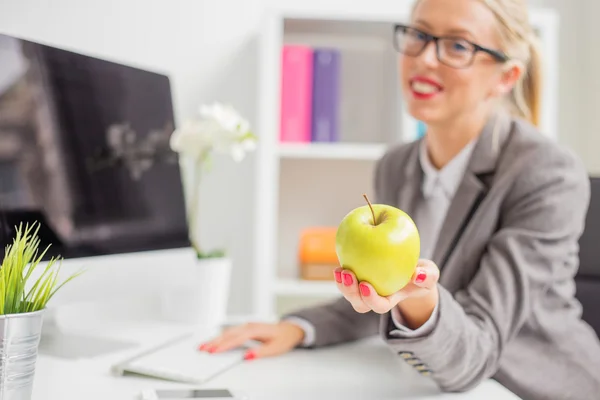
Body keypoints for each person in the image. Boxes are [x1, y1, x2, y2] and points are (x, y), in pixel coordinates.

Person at [199, 0, 600, 399]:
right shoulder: (397, 165)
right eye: (419, 34)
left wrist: (420, 300)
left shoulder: (547, 173)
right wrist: (298, 328)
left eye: (458, 46)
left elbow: (478, 352)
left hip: (534, 388)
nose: (424, 58)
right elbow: (381, 298)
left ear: (506, 77)